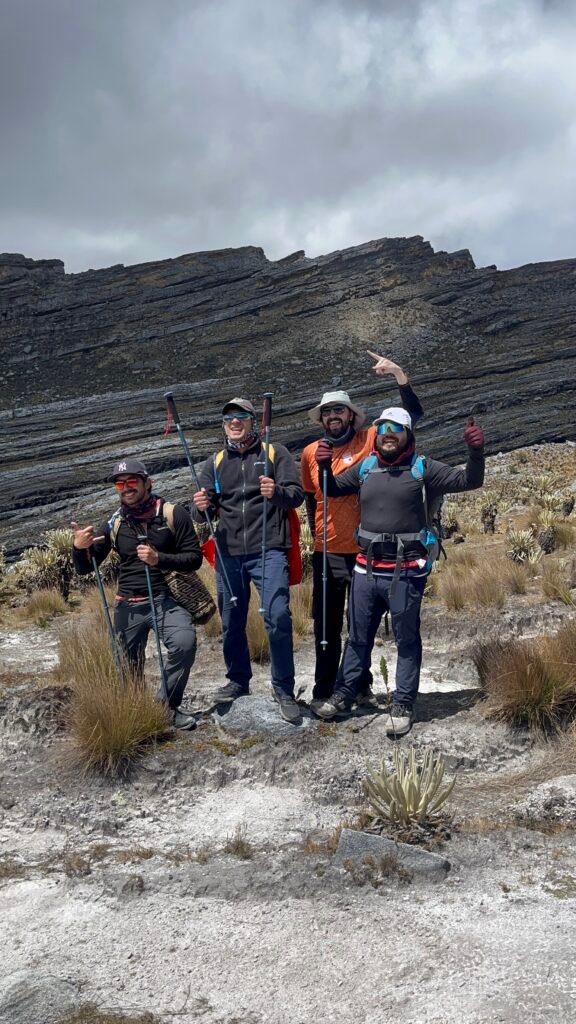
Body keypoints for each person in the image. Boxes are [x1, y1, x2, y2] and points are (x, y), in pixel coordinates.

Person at [313, 410, 485, 734]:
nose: (387, 433)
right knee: (357, 637)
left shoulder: (423, 468)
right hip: (365, 570)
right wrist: (324, 465)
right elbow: (331, 489)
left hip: (406, 572)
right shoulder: (366, 467)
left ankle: (403, 703)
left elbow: (470, 481)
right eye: (382, 428)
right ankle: (344, 693)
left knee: (406, 639)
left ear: (408, 433)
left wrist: (475, 451)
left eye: (395, 427)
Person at [300, 353, 424, 714]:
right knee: (326, 626)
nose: (333, 416)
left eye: (339, 410)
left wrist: (399, 375)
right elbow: (311, 497)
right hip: (326, 551)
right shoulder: (310, 452)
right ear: (321, 418)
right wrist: (316, 536)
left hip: (363, 553)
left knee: (360, 625)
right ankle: (324, 689)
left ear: (351, 415)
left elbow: (409, 418)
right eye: (327, 412)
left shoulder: (370, 440)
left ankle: (359, 686)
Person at [191, 398, 305, 725]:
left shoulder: (274, 453)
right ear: (224, 425)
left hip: (268, 549)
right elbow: (202, 511)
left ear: (253, 421)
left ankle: (283, 688)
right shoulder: (214, 462)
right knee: (231, 620)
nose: (234, 421)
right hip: (228, 552)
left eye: (241, 416)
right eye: (229, 418)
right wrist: (199, 506)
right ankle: (238, 680)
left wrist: (276, 492)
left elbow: (296, 495)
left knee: (278, 615)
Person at [71, 458, 202, 731]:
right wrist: (78, 548)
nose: (126, 488)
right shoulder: (114, 524)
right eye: (120, 484)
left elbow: (194, 558)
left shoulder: (173, 514)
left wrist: (159, 559)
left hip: (165, 599)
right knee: (127, 669)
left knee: (184, 643)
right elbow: (85, 568)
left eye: (132, 481)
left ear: (147, 483)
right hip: (127, 605)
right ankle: (136, 716)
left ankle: (166, 707)